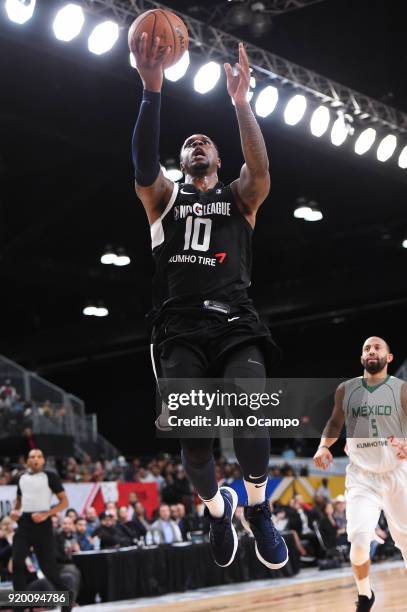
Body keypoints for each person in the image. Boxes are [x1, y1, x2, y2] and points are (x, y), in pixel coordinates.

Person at [131, 30, 288, 570]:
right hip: (178, 330)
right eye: (189, 142)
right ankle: (218, 510)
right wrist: (152, 87)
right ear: (181, 161)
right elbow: (142, 163)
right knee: (194, 447)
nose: (197, 143)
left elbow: (262, 170)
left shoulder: (240, 197)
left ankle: (258, 505)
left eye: (205, 141)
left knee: (251, 409)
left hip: (235, 321)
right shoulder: (163, 200)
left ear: (219, 158)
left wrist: (242, 105)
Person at [313, 337, 407, 611]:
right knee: (359, 538)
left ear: (389, 357)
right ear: (362, 357)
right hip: (362, 476)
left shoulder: (401, 390)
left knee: (405, 541)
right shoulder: (346, 389)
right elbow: (334, 422)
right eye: (367, 348)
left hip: (397, 472)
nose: (372, 351)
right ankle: (365, 596)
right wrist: (323, 446)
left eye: (378, 347)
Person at [10, 448, 72, 612]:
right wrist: (14, 513)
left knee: (49, 570)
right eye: (32, 457)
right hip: (24, 523)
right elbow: (18, 503)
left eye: (39, 457)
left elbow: (64, 502)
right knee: (17, 563)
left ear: (43, 460)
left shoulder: (50, 477)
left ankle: (66, 597)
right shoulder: (21, 478)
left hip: (42, 525)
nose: (35, 459)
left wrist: (47, 514)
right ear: (27, 460)